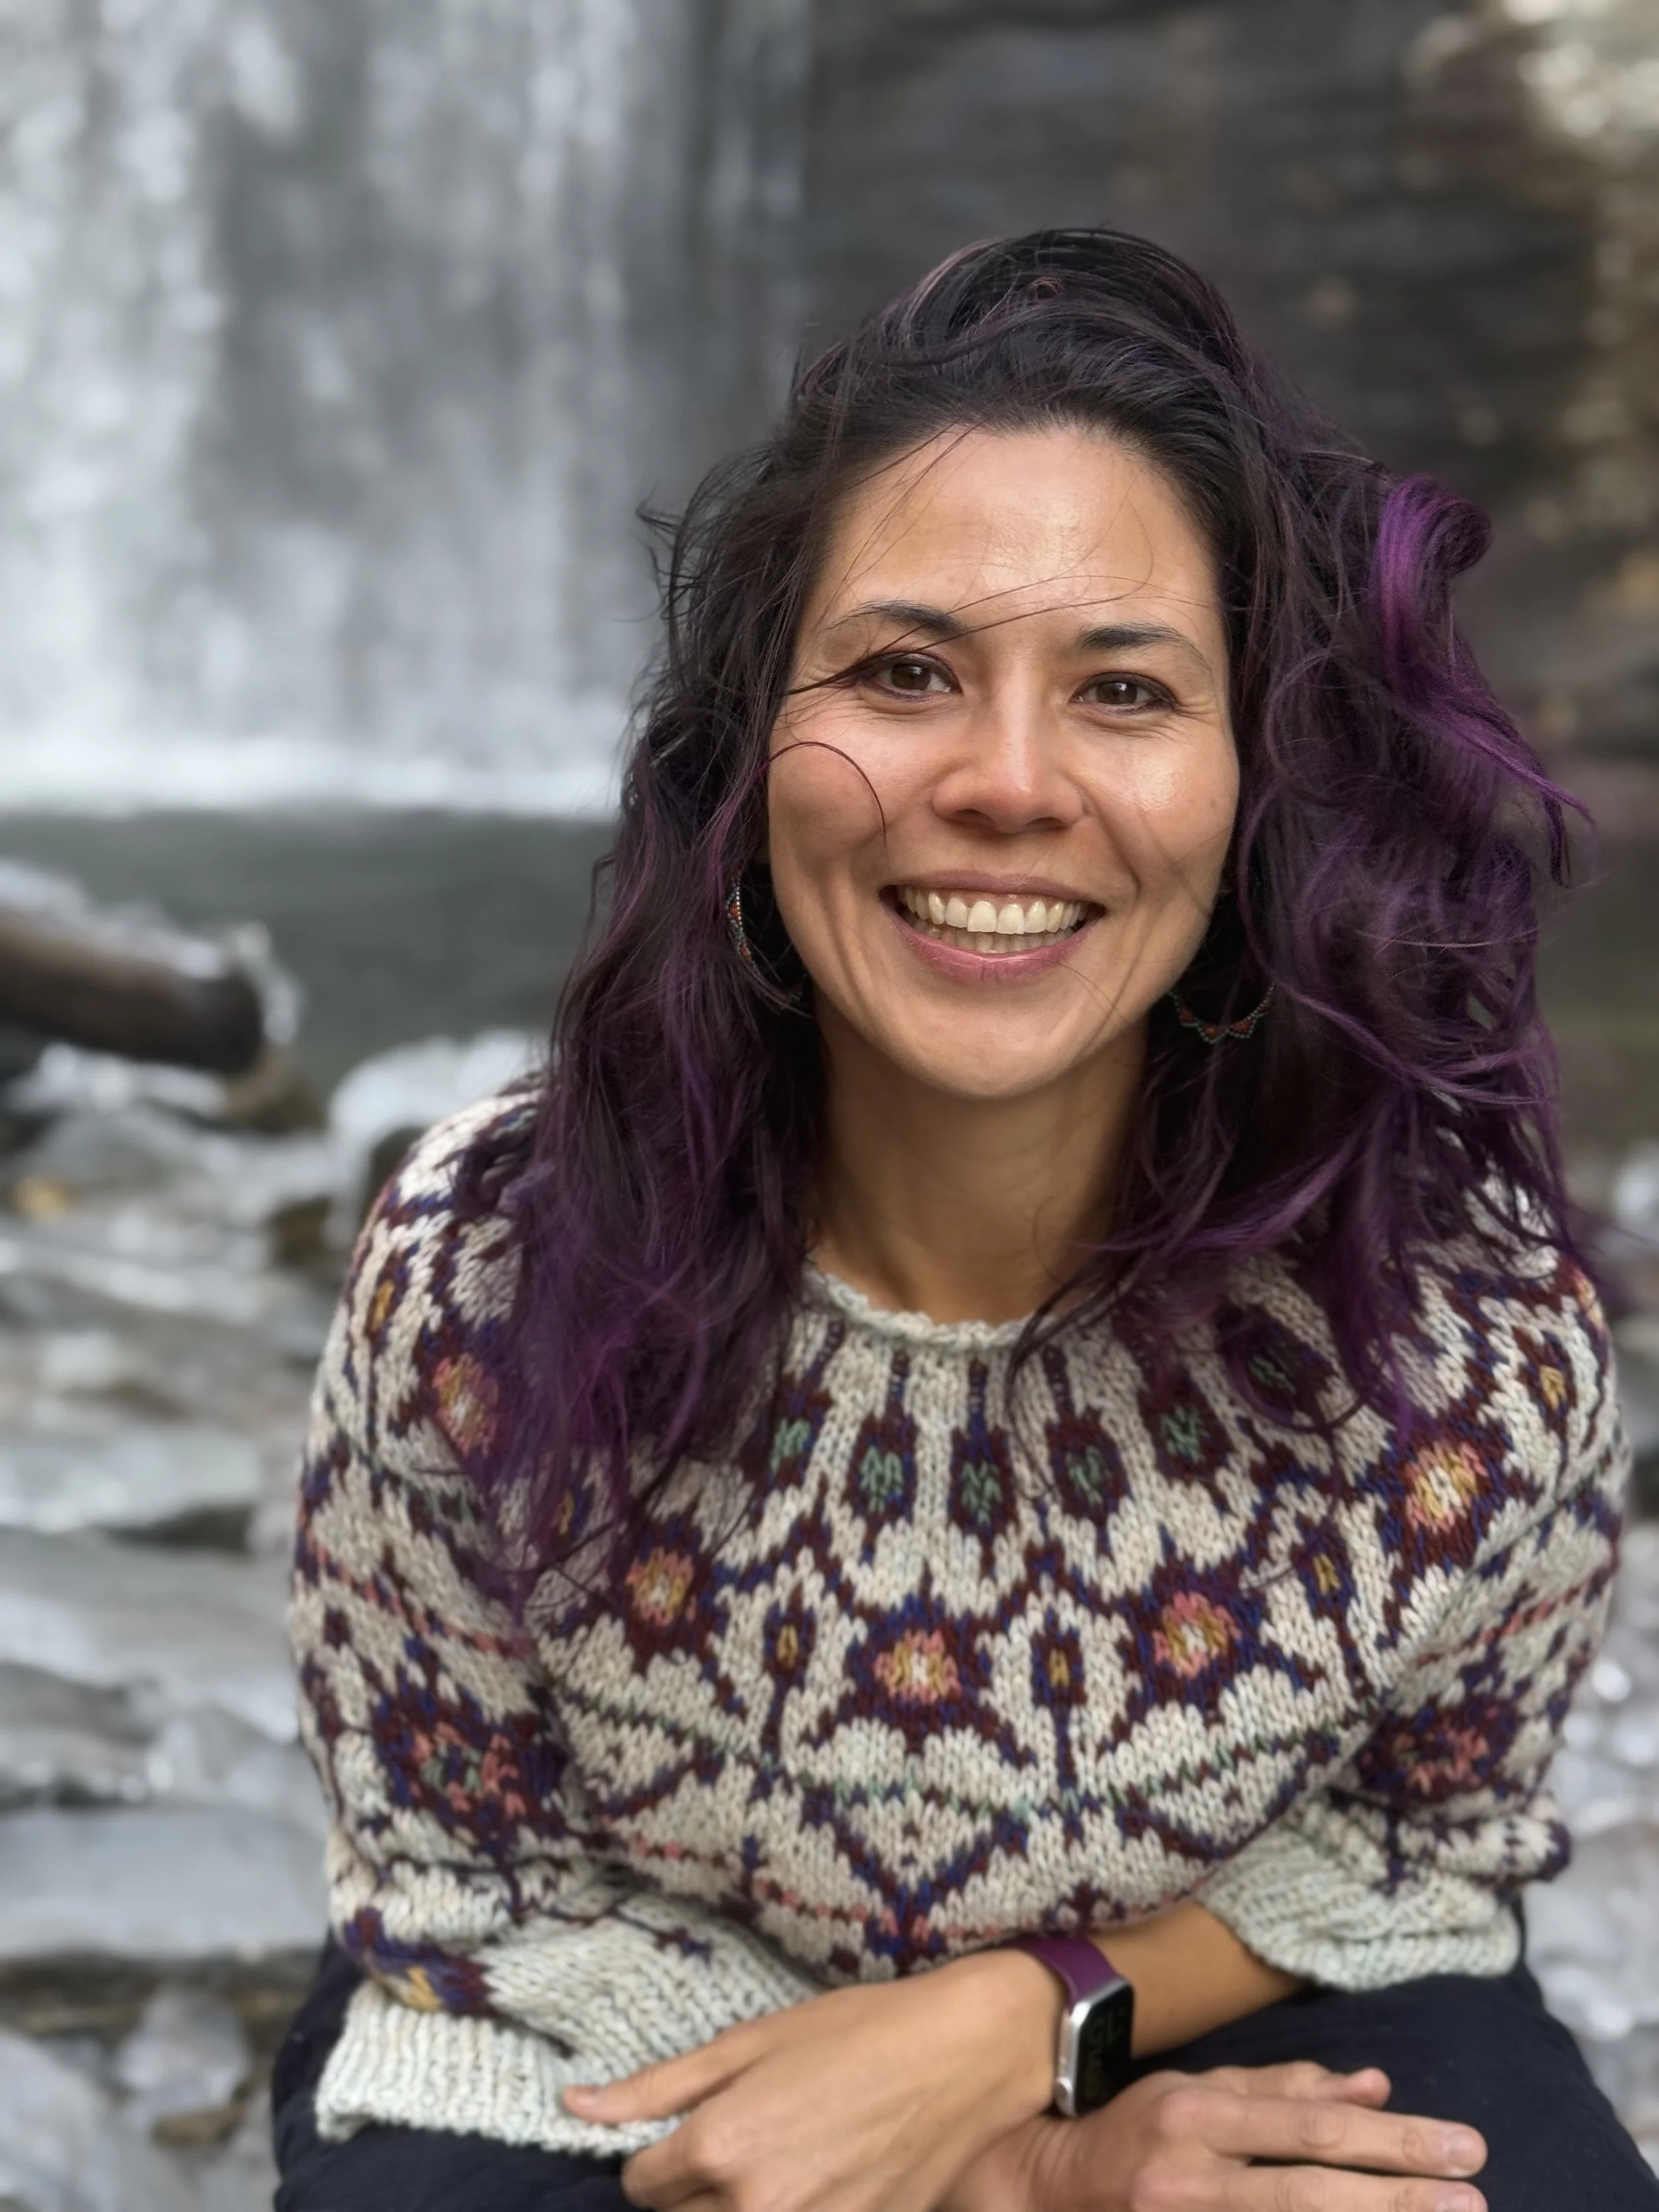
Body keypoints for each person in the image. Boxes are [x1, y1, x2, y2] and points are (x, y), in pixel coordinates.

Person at [273, 230, 1654, 2212]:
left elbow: (1419, 1839)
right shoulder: (485, 1261)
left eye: (1122, 688)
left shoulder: (1453, 1331)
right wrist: (1024, 2176)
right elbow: (464, 1882)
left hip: (1191, 1987)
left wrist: (1044, 2015)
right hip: (579, 2014)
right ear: (748, 750)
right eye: (904, 671)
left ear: (1256, 780)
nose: (1005, 784)